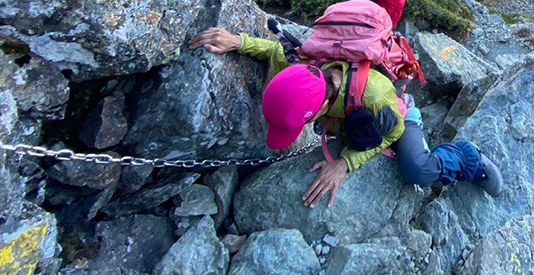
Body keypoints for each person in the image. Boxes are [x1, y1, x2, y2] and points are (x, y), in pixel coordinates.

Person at [188, 26, 502, 207]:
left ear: (323, 108)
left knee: (417, 170)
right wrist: (237, 42)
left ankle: (466, 158)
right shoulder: (304, 72)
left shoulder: (375, 96)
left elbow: (390, 134)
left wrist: (345, 163)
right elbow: (274, 52)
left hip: (399, 118)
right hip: (356, 124)